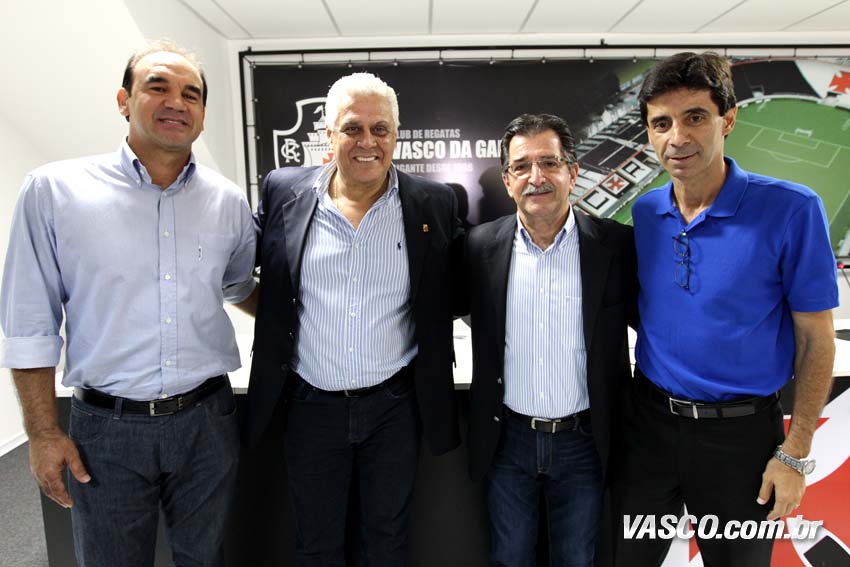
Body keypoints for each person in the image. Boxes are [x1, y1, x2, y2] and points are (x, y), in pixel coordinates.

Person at [0, 40, 257, 566]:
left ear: (203, 114)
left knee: (206, 557)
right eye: (157, 87)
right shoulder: (55, 191)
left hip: (207, 420)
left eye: (191, 94)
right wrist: (43, 433)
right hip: (106, 429)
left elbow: (239, 287)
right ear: (124, 100)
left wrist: (315, 313)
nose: (176, 102)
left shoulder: (227, 201)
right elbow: (29, 322)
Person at [613, 52, 838, 567]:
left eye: (695, 117)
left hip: (741, 441)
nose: (677, 137)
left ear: (728, 120)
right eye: (661, 123)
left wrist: (795, 453)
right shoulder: (645, 212)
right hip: (648, 430)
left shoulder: (792, 209)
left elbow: (816, 338)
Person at [242, 72, 461, 566]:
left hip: (394, 408)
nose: (368, 142)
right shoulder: (283, 191)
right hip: (310, 406)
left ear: (396, 135)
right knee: (316, 545)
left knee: (386, 543)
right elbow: (243, 274)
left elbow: (461, 287)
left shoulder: (434, 202)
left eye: (380, 129)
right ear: (328, 133)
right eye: (353, 128)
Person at [463, 113, 637, 566]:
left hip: (584, 442)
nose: (535, 177)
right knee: (509, 558)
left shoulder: (617, 246)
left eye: (549, 162)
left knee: (576, 558)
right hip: (507, 439)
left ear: (572, 172)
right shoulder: (478, 248)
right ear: (507, 181)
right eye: (521, 166)